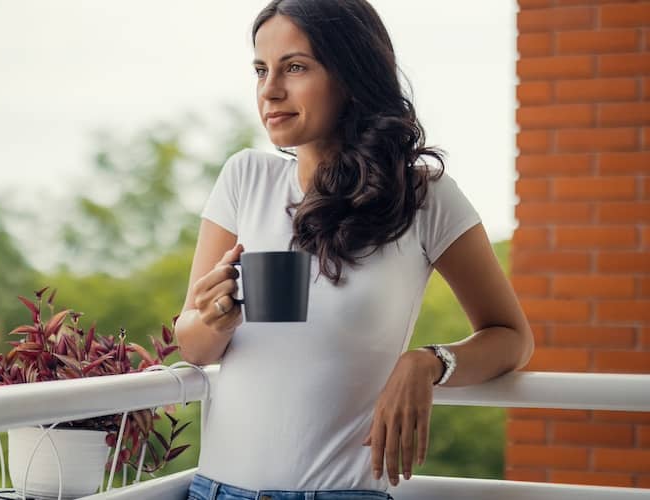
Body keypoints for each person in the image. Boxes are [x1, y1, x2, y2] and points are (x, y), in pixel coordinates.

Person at [175, 1, 534, 499]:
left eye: (295, 67)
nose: (270, 90)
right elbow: (190, 344)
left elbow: (512, 337)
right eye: (261, 70)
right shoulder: (244, 178)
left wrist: (427, 363)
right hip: (217, 491)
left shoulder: (423, 197)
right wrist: (213, 318)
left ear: (350, 73)